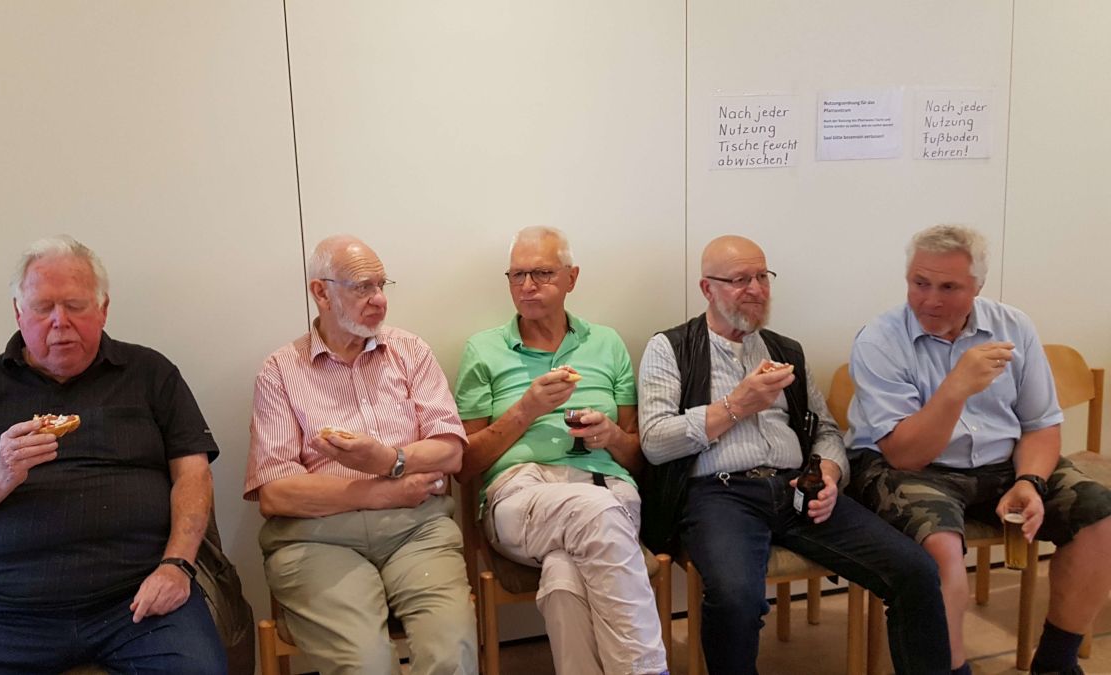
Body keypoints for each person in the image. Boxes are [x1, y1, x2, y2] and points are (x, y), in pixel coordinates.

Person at [638, 235, 951, 675]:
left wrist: (829, 472)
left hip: (797, 487)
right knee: (736, 599)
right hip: (719, 494)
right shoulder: (670, 348)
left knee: (915, 570)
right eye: (740, 280)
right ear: (707, 288)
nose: (755, 289)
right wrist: (736, 405)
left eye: (762, 277)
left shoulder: (786, 351)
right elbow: (654, 442)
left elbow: (825, 430)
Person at [0, 235, 226, 674]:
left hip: (137, 595)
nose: (60, 321)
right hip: (4, 609)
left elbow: (194, 475)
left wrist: (176, 565)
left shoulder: (151, 373)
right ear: (19, 313)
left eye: (76, 306)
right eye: (43, 308)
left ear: (103, 309)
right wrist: (0, 474)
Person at [847, 224, 1111, 675]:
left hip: (1002, 462)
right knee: (941, 549)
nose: (930, 299)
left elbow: (1041, 424)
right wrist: (955, 388)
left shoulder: (1013, 326)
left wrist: (1030, 481)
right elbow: (905, 454)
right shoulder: (879, 339)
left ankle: (1056, 661)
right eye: (919, 283)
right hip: (909, 467)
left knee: (1100, 517)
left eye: (949, 287)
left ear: (978, 286)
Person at [245, 235, 476, 675]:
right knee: (366, 664)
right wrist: (382, 492)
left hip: (417, 530)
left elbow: (450, 452)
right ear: (321, 292)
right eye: (362, 287)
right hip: (317, 539)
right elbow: (275, 495)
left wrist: (387, 460)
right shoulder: (280, 371)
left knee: (452, 652)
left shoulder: (410, 351)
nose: (379, 299)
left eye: (381, 285)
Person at [453, 226, 669, 675]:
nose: (527, 286)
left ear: (572, 277)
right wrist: (526, 410)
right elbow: (464, 464)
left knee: (564, 575)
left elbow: (637, 457)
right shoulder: (484, 349)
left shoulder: (606, 343)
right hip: (519, 494)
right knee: (597, 513)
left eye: (542, 273)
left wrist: (610, 436)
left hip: (607, 486)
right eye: (517, 275)